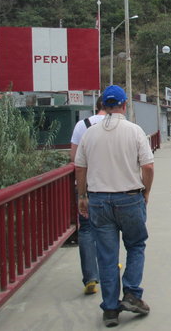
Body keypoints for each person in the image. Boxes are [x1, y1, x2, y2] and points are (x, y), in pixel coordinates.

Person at [75, 85, 155, 327]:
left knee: (107, 255)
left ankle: (110, 310)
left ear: (102, 105)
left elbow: (80, 167)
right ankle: (131, 293)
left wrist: (82, 196)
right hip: (130, 198)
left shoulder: (90, 133)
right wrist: (146, 192)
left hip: (99, 200)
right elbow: (148, 166)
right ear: (124, 104)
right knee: (136, 245)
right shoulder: (135, 130)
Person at [70, 96, 106, 295]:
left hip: (86, 184)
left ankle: (91, 277)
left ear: (97, 106)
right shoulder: (122, 125)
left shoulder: (81, 126)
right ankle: (109, 267)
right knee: (109, 228)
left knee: (86, 230)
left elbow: (74, 158)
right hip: (110, 185)